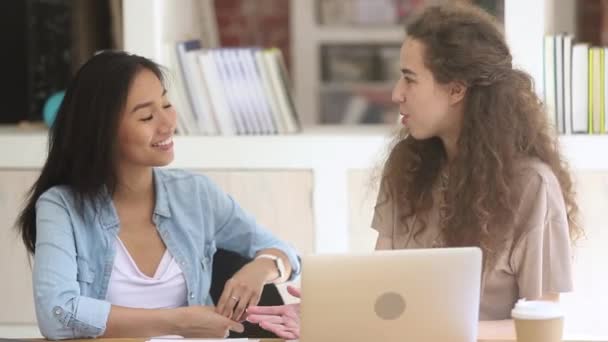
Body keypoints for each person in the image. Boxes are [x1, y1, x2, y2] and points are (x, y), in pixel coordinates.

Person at [245, 3, 581, 339]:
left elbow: (541, 329)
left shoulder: (532, 186)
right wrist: (333, 314)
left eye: (410, 79)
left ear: (456, 89)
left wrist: (433, 331)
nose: (396, 94)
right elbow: (380, 288)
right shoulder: (406, 167)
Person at [16, 51, 300, 340]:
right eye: (147, 116)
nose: (167, 124)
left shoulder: (195, 194)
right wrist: (178, 322)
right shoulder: (61, 207)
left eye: (166, 104)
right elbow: (57, 313)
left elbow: (285, 252)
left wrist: (262, 268)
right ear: (102, 130)